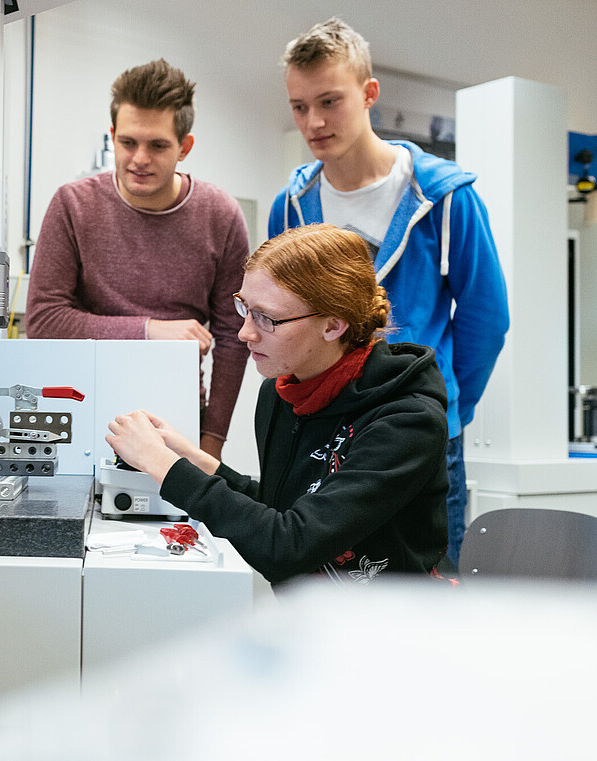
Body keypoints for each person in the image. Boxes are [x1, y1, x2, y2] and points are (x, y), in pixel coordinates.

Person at [269, 18, 509, 567]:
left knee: (419, 588)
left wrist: (443, 407)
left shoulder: (445, 197)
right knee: (319, 583)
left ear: (369, 93)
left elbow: (485, 320)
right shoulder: (292, 203)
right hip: (322, 425)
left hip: (416, 432)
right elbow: (281, 317)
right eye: (299, 106)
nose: (314, 120)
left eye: (329, 101)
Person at [106, 224, 449, 592]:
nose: (245, 333)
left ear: (333, 325)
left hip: (393, 632)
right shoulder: (282, 392)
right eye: (244, 308)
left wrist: (160, 463)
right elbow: (281, 510)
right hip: (313, 624)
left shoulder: (407, 420)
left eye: (266, 318)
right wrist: (192, 457)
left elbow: (287, 546)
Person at [26, 59, 251, 459]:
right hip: (79, 411)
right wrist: (149, 330)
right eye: (128, 142)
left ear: (185, 147)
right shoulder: (72, 205)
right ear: (112, 136)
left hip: (180, 421)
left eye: (158, 145)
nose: (140, 158)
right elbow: (44, 321)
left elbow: (235, 337)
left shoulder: (221, 215)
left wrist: (212, 442)